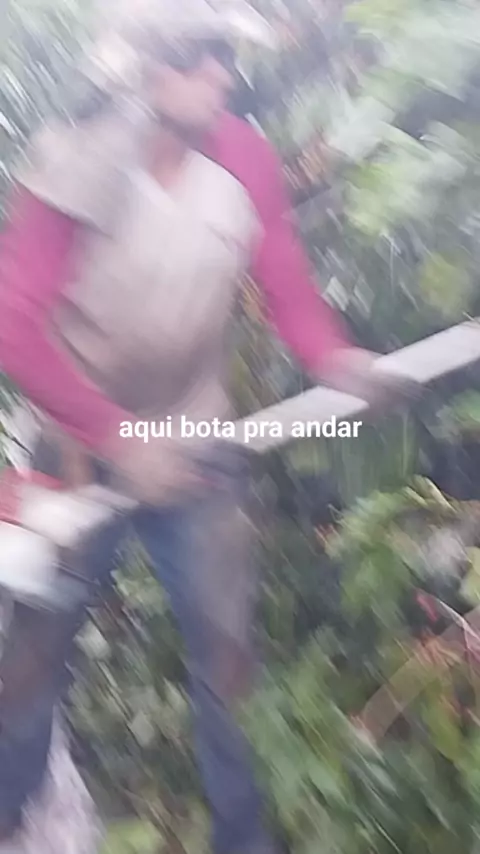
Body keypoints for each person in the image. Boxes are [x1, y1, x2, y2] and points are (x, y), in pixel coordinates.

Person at [0, 1, 413, 850]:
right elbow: (13, 323)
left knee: (229, 665)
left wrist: (336, 360)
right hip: (75, 451)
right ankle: (8, 810)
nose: (221, 74)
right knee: (34, 661)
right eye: (198, 55)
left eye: (225, 55)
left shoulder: (243, 157)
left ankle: (242, 839)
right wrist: (116, 437)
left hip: (196, 447)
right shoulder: (78, 165)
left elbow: (284, 281)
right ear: (141, 68)